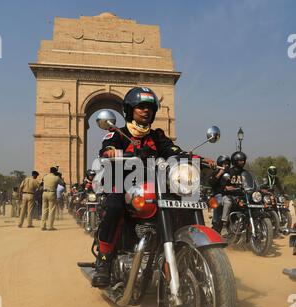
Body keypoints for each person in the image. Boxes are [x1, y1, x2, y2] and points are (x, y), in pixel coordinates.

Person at [91, 86, 215, 288]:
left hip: (153, 184)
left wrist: (198, 159)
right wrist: (112, 153)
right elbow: (107, 149)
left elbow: (174, 151)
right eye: (140, 107)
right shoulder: (117, 133)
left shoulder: (157, 136)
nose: (145, 110)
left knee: (181, 203)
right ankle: (103, 261)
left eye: (149, 107)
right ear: (130, 110)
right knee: (114, 207)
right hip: (122, 182)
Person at [219, 151, 247, 237]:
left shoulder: (245, 173)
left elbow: (251, 183)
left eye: (243, 160)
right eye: (240, 160)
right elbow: (223, 185)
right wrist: (228, 187)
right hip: (228, 196)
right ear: (235, 161)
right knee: (228, 202)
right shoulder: (229, 172)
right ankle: (224, 227)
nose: (242, 162)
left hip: (240, 196)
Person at [209, 155, 231, 232]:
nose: (227, 165)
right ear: (220, 164)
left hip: (229, 194)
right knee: (218, 201)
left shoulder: (230, 173)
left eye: (228, 163)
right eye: (225, 163)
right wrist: (220, 173)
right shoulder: (215, 172)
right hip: (218, 194)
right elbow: (211, 183)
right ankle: (216, 223)